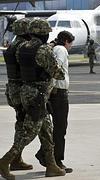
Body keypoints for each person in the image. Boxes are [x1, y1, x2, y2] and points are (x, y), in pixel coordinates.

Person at [0, 18, 66, 180]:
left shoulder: (20, 47)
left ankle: (51, 165)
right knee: (30, 131)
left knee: (46, 129)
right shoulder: (42, 49)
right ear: (43, 34)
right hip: (37, 94)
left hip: (24, 91)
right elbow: (58, 73)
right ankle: (6, 160)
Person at [35, 30, 75, 173]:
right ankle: (55, 160)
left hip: (55, 93)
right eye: (71, 44)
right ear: (66, 41)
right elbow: (55, 68)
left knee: (55, 128)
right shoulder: (61, 50)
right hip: (58, 94)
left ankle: (46, 155)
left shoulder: (55, 48)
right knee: (60, 128)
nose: (71, 47)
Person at [3, 18, 33, 171]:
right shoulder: (22, 47)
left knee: (20, 123)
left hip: (13, 88)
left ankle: (17, 159)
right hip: (22, 89)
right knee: (27, 126)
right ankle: (11, 158)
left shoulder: (11, 46)